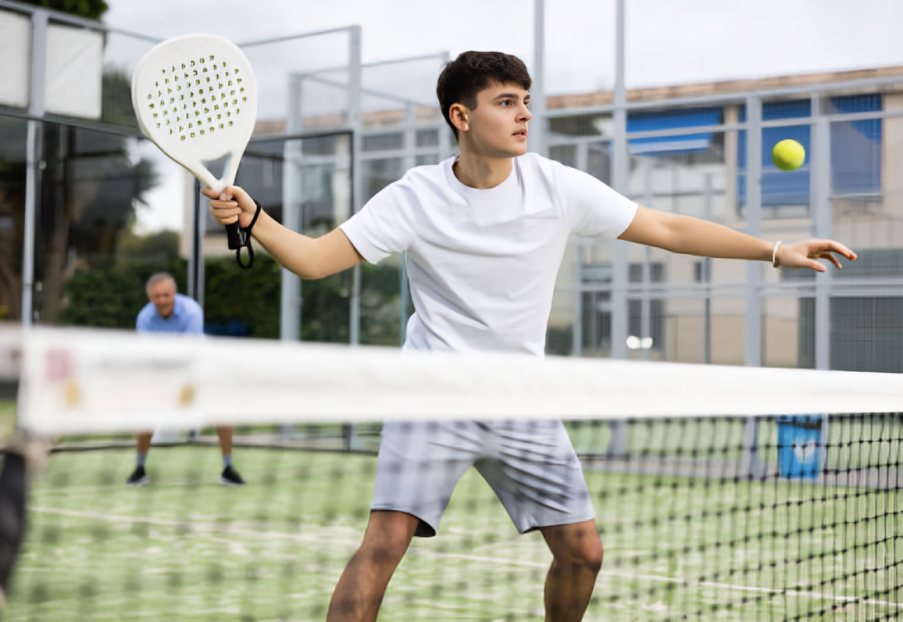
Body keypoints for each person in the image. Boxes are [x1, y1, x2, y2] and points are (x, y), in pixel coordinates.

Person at [205, 52, 855, 621]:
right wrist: (255, 217)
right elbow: (317, 259)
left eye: (525, 103)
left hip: (521, 398)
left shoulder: (555, 186)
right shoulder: (414, 196)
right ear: (461, 117)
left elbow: (667, 229)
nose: (522, 115)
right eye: (506, 102)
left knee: (584, 553)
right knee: (383, 545)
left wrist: (775, 249)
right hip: (433, 397)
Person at [126, 272, 245, 487]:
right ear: (149, 297)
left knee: (224, 414)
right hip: (163, 373)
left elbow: (189, 351)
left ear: (174, 293)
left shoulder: (191, 310)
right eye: (156, 296)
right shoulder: (144, 318)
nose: (162, 300)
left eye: (166, 295)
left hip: (201, 370)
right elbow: (148, 356)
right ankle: (139, 469)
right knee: (145, 418)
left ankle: (228, 469)